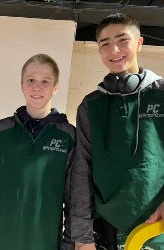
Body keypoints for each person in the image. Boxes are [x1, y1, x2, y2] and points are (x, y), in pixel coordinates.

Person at [70, 13, 164, 250]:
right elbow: (82, 171)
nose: (114, 49)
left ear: (139, 43)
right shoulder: (90, 106)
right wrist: (82, 235)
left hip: (158, 224)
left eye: (122, 40)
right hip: (107, 227)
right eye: (105, 44)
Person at [0, 53, 75, 250]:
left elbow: (73, 198)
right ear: (22, 85)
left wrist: (68, 243)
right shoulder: (0, 132)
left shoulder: (69, 137)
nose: (37, 87)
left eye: (45, 81)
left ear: (56, 87)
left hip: (44, 241)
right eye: (31, 80)